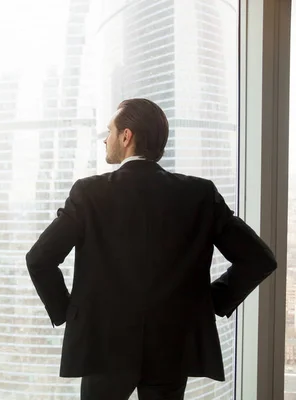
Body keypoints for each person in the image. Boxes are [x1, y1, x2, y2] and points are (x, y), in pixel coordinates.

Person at [25, 98, 277, 400]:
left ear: (126, 136)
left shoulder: (89, 193)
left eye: (110, 131)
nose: (105, 139)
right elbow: (258, 259)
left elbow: (39, 259)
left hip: (103, 343)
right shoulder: (199, 194)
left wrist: (70, 311)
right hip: (172, 345)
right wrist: (210, 301)